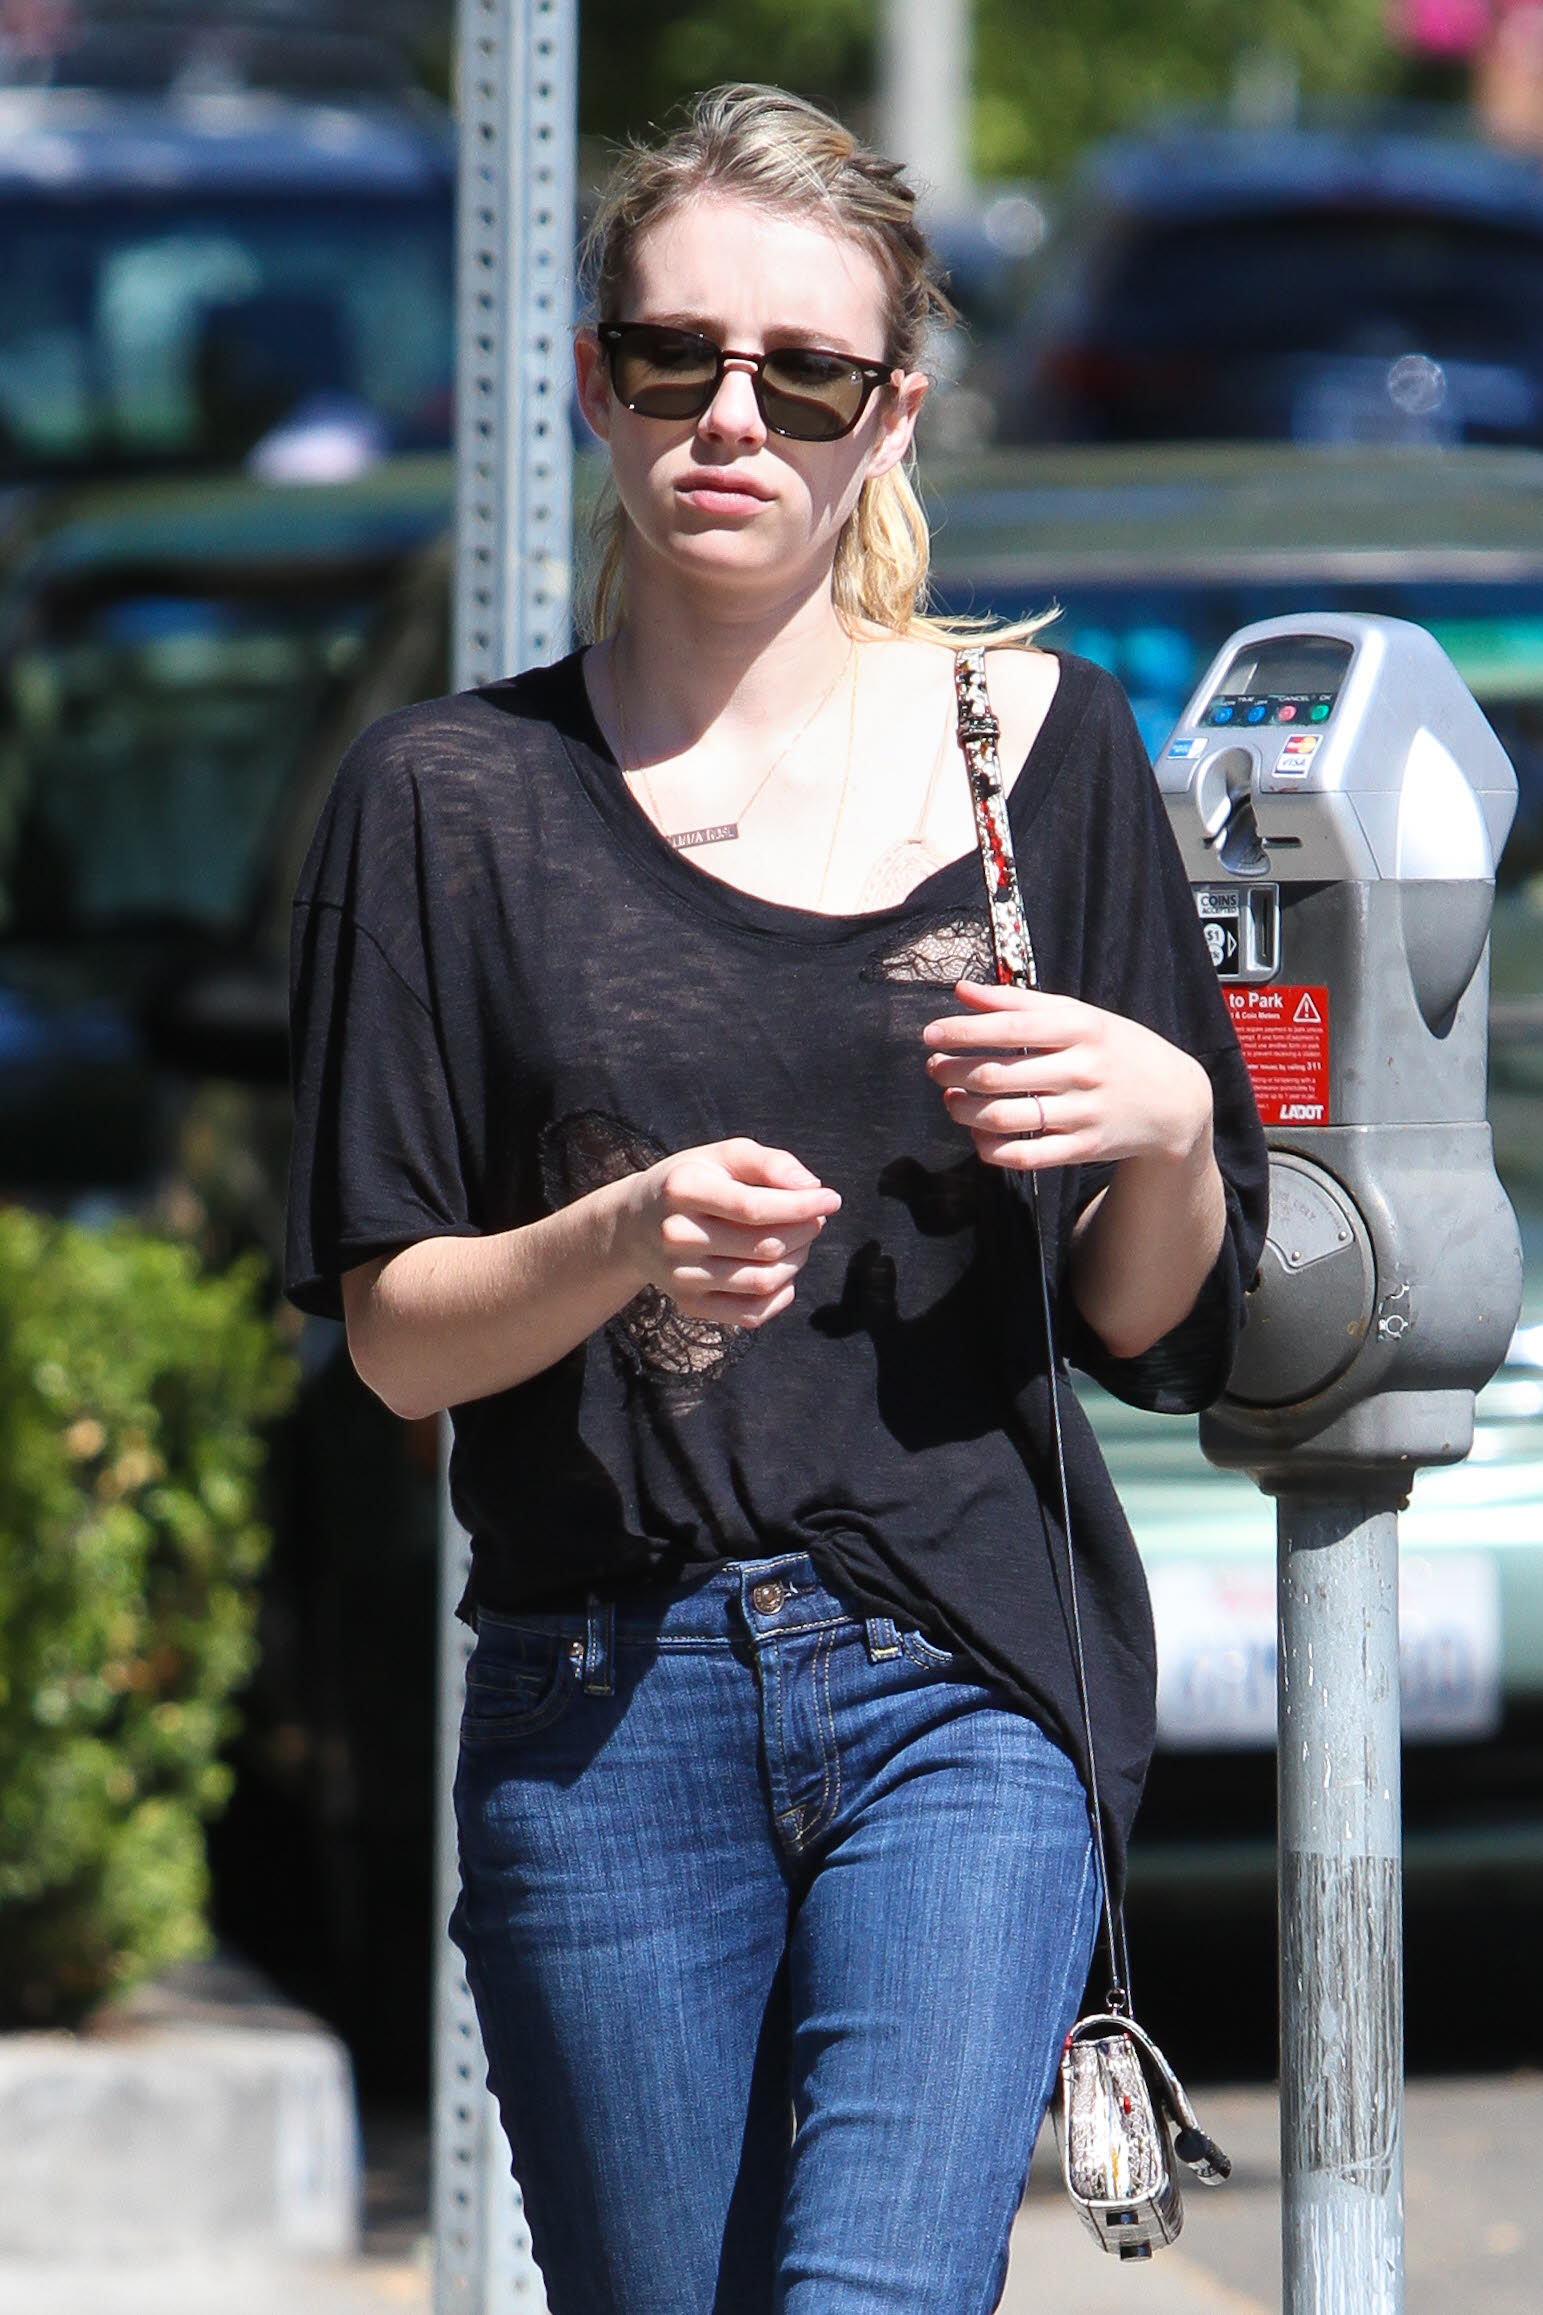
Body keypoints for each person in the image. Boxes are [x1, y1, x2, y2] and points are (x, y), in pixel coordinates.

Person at [285, 82, 1267, 2315]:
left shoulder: (1040, 754)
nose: (732, 418)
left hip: (962, 1673)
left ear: (889, 415)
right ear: (594, 381)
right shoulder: (448, 801)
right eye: (676, 360)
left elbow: (1146, 1324)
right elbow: (398, 1342)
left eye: (804, 376)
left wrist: (1169, 1128)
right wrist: (620, 1237)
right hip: (601, 1699)